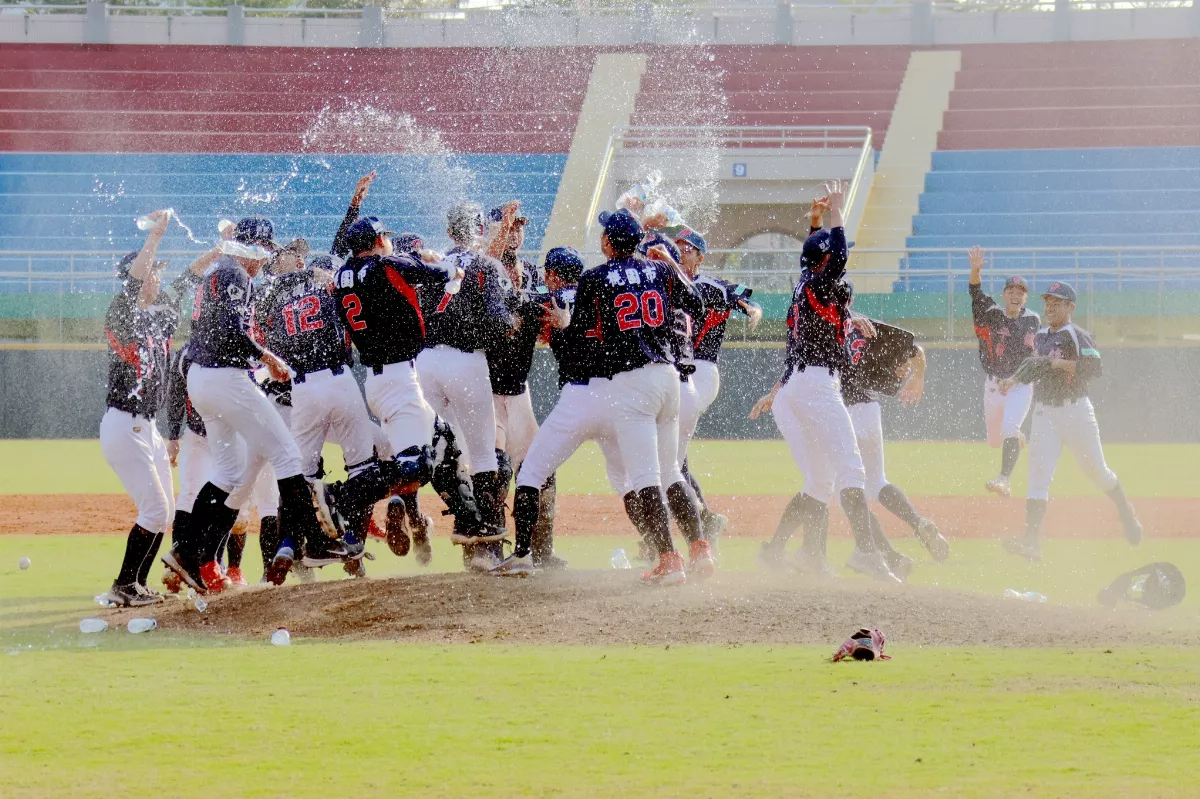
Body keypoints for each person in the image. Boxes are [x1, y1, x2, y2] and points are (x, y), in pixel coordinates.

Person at [498, 209, 712, 584]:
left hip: (608, 391)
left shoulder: (593, 280)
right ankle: (699, 549)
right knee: (667, 472)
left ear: (606, 243)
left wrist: (559, 325)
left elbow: (569, 326)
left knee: (534, 471)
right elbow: (696, 305)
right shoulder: (660, 270)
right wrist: (671, 265)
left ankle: (524, 555)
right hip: (664, 378)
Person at [161, 216, 328, 592]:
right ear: (253, 246)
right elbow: (232, 331)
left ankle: (186, 552)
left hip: (202, 379)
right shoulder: (234, 274)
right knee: (286, 454)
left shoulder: (218, 272)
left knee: (228, 473)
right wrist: (269, 358)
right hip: (225, 376)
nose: (266, 258)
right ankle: (315, 542)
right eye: (265, 249)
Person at [748, 181, 900, 583]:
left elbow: (815, 254)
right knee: (852, 470)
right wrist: (836, 213)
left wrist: (815, 223)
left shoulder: (804, 280)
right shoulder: (824, 281)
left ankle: (790, 554)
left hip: (798, 384)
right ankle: (867, 553)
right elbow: (839, 254)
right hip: (816, 384)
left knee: (820, 480)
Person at [330, 213, 463, 564]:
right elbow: (435, 274)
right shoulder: (384, 264)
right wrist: (449, 267)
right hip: (397, 379)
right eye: (383, 237)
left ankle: (438, 517)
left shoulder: (341, 275)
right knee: (417, 464)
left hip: (380, 379)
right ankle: (346, 494)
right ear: (375, 241)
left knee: (443, 439)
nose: (388, 241)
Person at [256, 239, 386, 569]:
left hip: (300, 389)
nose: (299, 257)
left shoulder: (267, 297)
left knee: (301, 474)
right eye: (293, 253)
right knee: (362, 466)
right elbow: (342, 275)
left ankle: (290, 543)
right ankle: (354, 542)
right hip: (337, 379)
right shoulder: (322, 279)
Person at [997, 281, 1141, 561]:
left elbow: (1094, 367)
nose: (1050, 306)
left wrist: (1056, 364)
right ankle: (1031, 543)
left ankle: (1126, 512)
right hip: (1044, 413)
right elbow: (1033, 365)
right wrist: (1013, 379)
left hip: (1075, 411)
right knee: (1038, 477)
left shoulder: (1077, 335)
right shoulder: (1040, 335)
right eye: (1048, 301)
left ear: (1070, 307)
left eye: (1057, 302)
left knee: (1096, 471)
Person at [416, 200, 520, 571]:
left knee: (447, 449)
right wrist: (512, 321)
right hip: (465, 360)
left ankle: (464, 523)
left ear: (449, 231)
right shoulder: (484, 264)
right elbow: (497, 321)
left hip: (425, 363)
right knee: (484, 455)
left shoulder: (430, 262)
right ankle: (487, 547)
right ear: (479, 230)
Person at [97, 211, 177, 607]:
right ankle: (123, 585)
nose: (156, 276)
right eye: (151, 270)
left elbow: (190, 281)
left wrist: (223, 248)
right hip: (124, 424)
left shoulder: (160, 317)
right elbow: (134, 281)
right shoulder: (121, 309)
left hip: (149, 427)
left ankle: (137, 585)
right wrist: (156, 237)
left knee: (165, 513)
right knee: (155, 507)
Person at [672, 226, 762, 547]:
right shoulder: (666, 283)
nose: (681, 252)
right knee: (673, 455)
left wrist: (753, 310)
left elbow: (745, 300)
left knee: (668, 454)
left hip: (702, 371)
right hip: (675, 372)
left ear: (700, 255)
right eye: (677, 247)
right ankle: (704, 518)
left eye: (687, 248)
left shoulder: (713, 286)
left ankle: (687, 527)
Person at [968, 245, 1040, 497]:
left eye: (1021, 292)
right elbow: (975, 292)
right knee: (994, 441)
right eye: (1011, 290)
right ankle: (1015, 438)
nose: (1016, 295)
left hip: (1020, 386)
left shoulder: (1033, 321)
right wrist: (975, 271)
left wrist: (1016, 378)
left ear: (1025, 298)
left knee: (1010, 428)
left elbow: (1034, 361)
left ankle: (1004, 479)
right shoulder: (991, 314)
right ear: (1003, 294)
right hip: (992, 385)